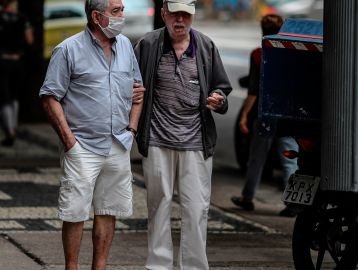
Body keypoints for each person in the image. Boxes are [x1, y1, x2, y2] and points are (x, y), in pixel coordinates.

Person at [39, 0, 144, 269]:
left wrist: (131, 129)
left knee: (109, 210)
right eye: (116, 11)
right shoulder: (68, 49)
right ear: (97, 16)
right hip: (82, 146)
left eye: (122, 9)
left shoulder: (125, 49)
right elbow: (50, 97)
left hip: (118, 143)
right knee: (74, 212)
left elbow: (138, 93)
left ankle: (100, 267)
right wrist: (69, 142)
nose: (123, 15)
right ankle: (71, 267)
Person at [133, 0, 232, 268]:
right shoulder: (148, 45)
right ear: (163, 13)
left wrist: (218, 99)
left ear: (193, 16)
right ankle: (158, 266)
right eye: (174, 14)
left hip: (196, 142)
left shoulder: (206, 46)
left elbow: (222, 88)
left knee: (196, 208)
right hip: (156, 140)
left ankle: (194, 266)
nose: (180, 21)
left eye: (185, 15)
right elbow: (129, 84)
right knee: (158, 206)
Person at [230, 14, 298, 217]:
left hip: (266, 113)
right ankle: (294, 203)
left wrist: (244, 115)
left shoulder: (259, 54)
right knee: (289, 159)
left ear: (262, 31)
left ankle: (248, 197)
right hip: (288, 114)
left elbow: (253, 90)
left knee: (256, 158)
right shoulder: (293, 52)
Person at [0, 0, 33, 146]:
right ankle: (13, 127)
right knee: (14, 97)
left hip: (2, 61)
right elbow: (29, 40)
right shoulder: (23, 19)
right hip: (17, 61)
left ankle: (10, 133)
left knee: (4, 98)